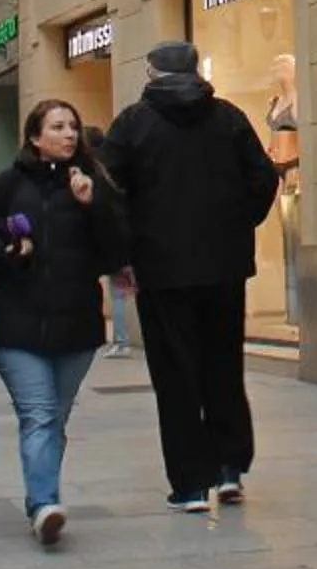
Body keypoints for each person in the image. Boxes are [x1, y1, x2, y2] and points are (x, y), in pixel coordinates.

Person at [100, 40, 279, 512]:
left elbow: (108, 190)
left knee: (175, 375)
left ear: (153, 73)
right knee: (223, 366)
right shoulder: (228, 118)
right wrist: (239, 225)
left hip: (161, 270)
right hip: (224, 265)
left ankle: (189, 483)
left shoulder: (133, 123)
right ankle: (228, 468)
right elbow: (264, 178)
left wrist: (125, 248)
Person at [0, 99, 128, 545]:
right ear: (34, 136)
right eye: (58, 126)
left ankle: (38, 500)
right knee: (39, 414)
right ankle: (45, 502)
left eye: (73, 127)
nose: (68, 134)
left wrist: (92, 207)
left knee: (54, 418)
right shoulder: (7, 185)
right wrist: (6, 253)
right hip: (16, 325)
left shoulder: (94, 183)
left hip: (75, 327)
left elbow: (117, 251)